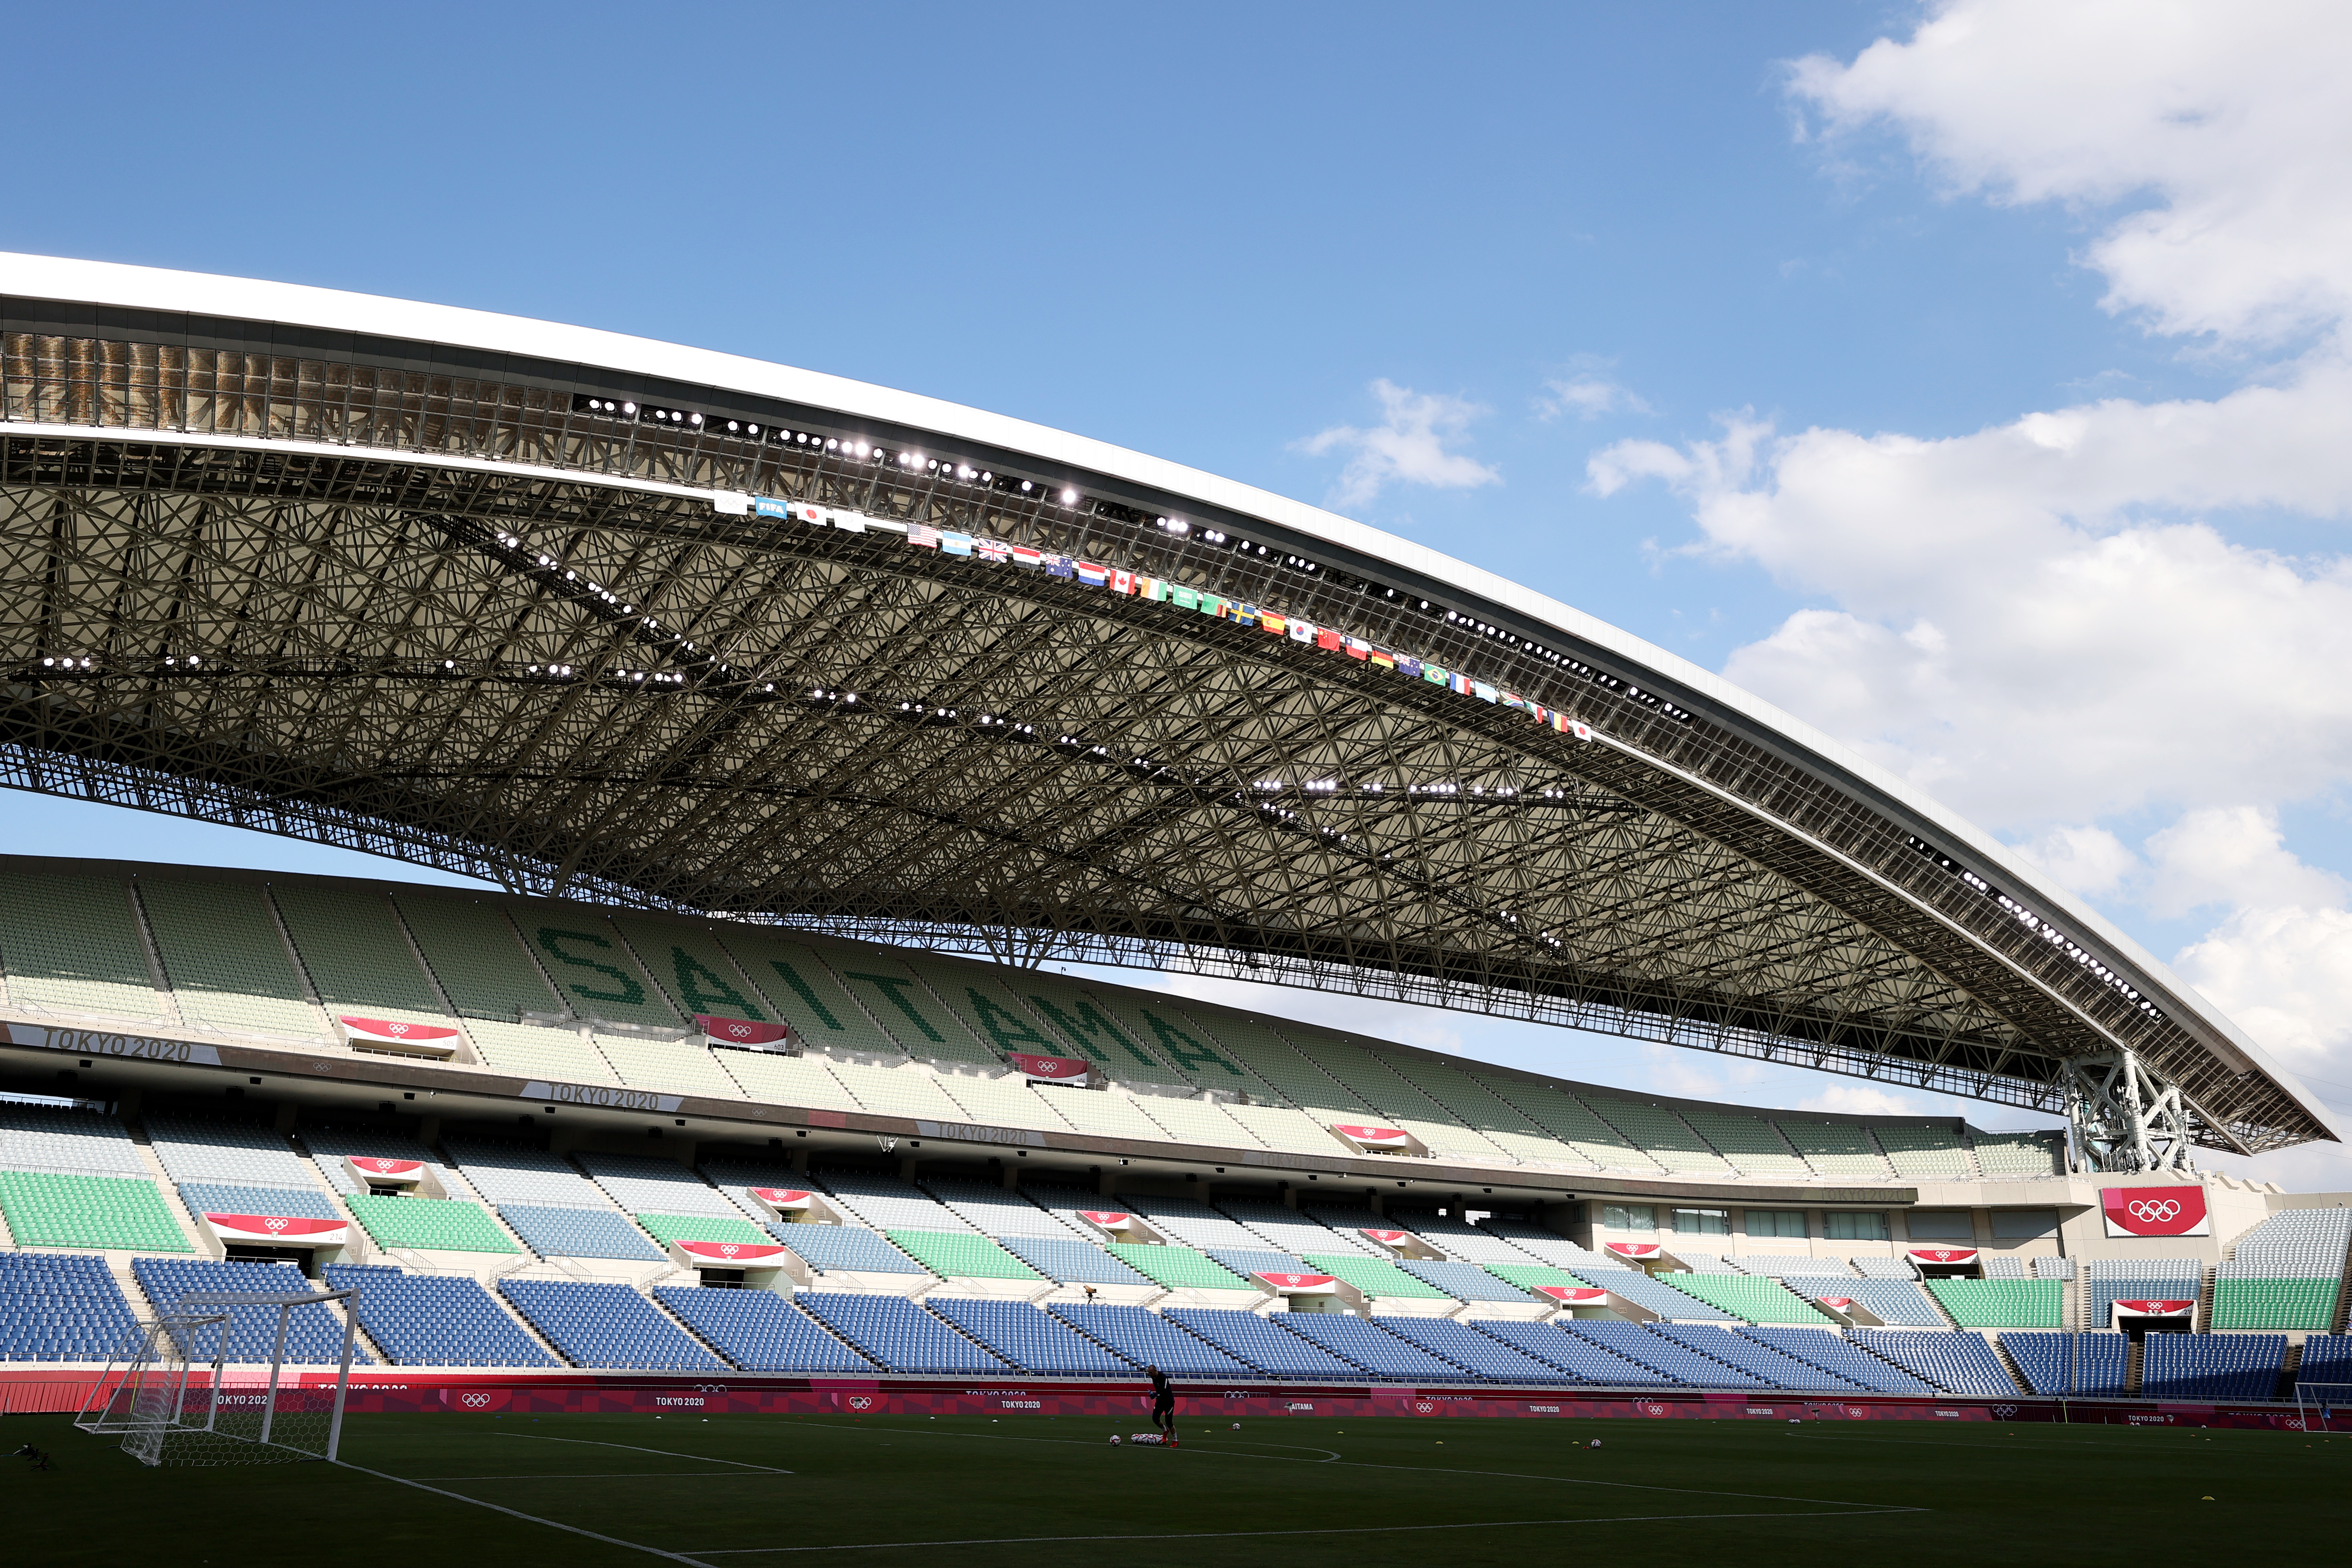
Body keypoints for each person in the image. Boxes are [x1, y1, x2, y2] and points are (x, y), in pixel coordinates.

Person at [1147, 1364, 1177, 1445]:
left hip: (1168, 1402)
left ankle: (1175, 1440)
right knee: (1155, 1419)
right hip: (1160, 1401)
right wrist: (1154, 1394)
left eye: (1151, 1373)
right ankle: (1165, 1431)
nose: (1150, 1375)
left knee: (1169, 1422)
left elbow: (1168, 1391)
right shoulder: (1153, 1377)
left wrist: (1157, 1395)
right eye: (1149, 1373)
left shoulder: (1163, 1377)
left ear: (1156, 1371)